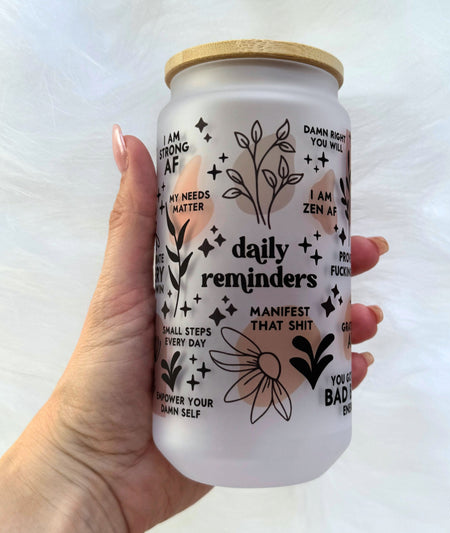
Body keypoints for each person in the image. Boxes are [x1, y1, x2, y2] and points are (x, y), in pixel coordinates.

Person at [0, 126, 389, 533]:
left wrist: (86, 475)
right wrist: (84, 467)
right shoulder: (183, 124)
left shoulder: (320, 126)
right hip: (184, 412)